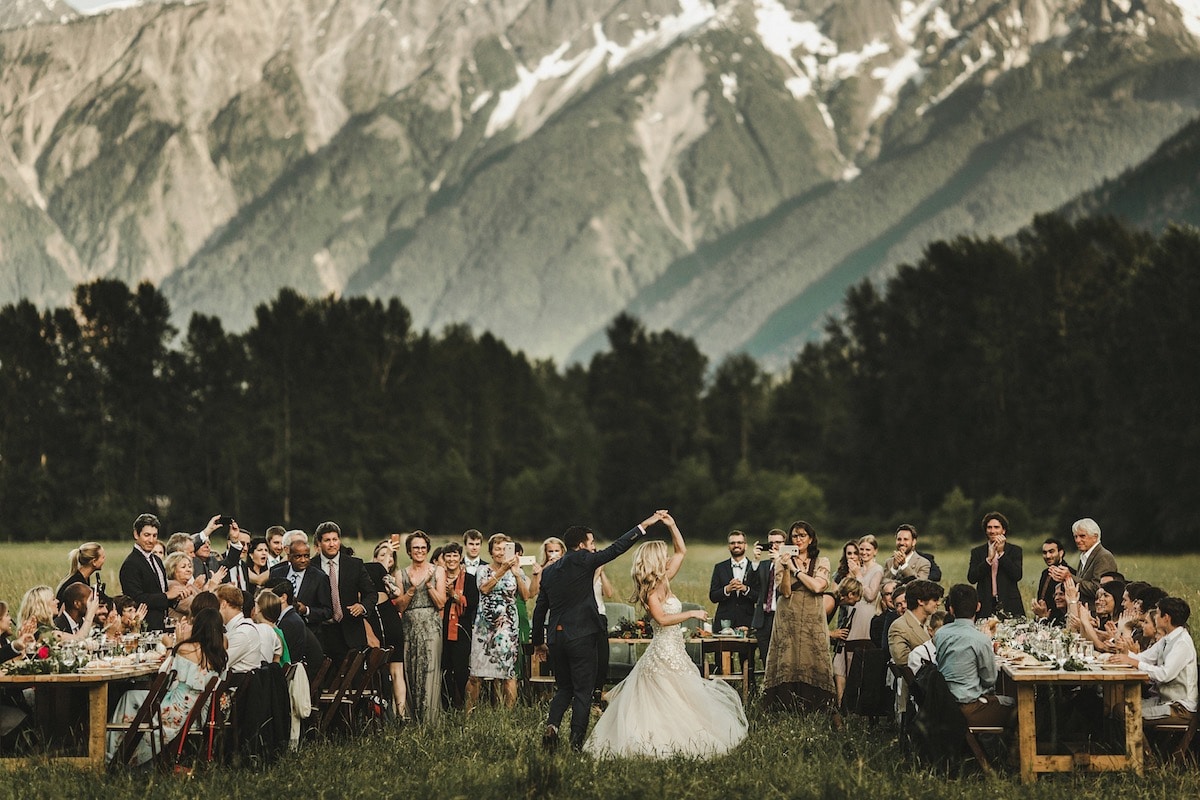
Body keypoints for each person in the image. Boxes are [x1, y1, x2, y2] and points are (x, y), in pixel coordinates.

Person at [585, 515, 747, 758]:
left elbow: (681, 551)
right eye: (663, 555)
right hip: (663, 649)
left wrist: (671, 526)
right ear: (655, 561)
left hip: (674, 647)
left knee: (681, 695)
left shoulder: (664, 579)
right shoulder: (650, 590)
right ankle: (658, 739)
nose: (668, 558)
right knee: (664, 696)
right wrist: (691, 612)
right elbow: (661, 619)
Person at [532, 512, 660, 752]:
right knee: (583, 691)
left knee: (564, 688)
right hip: (582, 636)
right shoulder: (584, 559)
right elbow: (617, 548)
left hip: (556, 639)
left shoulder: (549, 572)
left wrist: (538, 642)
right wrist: (643, 525)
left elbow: (540, 610)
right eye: (591, 543)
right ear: (581, 545)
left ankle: (552, 725)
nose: (594, 547)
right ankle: (576, 743)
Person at [107, 607, 227, 766]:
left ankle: (113, 755)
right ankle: (125, 753)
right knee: (131, 696)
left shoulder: (187, 648)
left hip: (175, 711)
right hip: (197, 713)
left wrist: (175, 643)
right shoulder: (219, 653)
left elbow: (164, 674)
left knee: (128, 698)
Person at [762, 520, 837, 714]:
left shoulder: (822, 561)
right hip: (789, 616)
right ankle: (784, 705)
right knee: (788, 656)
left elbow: (818, 586)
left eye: (802, 535)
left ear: (811, 539)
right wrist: (786, 567)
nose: (798, 539)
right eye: (795, 536)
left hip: (813, 617)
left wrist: (796, 571)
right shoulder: (782, 561)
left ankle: (818, 707)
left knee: (814, 656)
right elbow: (785, 591)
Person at [934, 584, 1014, 727]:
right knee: (1020, 706)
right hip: (970, 708)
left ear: (951, 609)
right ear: (978, 607)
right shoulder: (981, 639)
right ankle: (1012, 747)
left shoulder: (940, 634)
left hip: (943, 704)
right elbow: (990, 679)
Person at [1112, 597, 1197, 729]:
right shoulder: (1167, 640)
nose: (1155, 616)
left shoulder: (1182, 643)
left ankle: (1143, 750)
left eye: (1157, 613)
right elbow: (1144, 658)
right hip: (1164, 701)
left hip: (1180, 707)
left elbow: (1165, 674)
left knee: (1125, 712)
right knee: (1119, 708)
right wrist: (1125, 653)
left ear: (1166, 618)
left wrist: (1133, 661)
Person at [466, 533, 529, 710]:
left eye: (505, 549)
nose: (501, 552)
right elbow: (484, 588)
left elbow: (525, 596)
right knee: (475, 674)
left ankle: (506, 715)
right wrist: (502, 570)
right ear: (491, 552)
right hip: (485, 628)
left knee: (508, 674)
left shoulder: (517, 571)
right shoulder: (483, 570)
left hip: (507, 627)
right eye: (497, 549)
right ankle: (469, 713)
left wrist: (516, 574)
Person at [395, 530, 446, 724]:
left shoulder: (438, 571)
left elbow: (441, 603)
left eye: (423, 547)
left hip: (431, 626)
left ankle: (430, 718)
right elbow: (399, 605)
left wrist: (428, 585)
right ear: (409, 551)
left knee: (430, 669)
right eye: (415, 548)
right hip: (408, 626)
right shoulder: (401, 574)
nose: (420, 551)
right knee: (410, 669)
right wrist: (412, 589)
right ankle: (411, 716)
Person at [313, 521, 378, 664]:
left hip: (351, 632)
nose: (332, 544)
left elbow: (371, 593)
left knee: (353, 681)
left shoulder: (354, 565)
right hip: (321, 632)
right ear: (319, 543)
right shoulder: (311, 566)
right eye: (327, 540)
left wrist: (362, 607)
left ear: (339, 541)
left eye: (335, 540)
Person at [118, 513, 185, 632]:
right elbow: (136, 598)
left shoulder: (158, 561)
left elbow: (160, 592)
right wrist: (167, 596)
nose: (151, 540)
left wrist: (177, 597)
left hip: (163, 625)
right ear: (136, 534)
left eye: (154, 536)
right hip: (144, 628)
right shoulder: (130, 564)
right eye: (147, 535)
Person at [365, 541, 406, 719]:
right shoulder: (368, 571)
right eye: (381, 555)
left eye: (388, 556)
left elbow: (397, 593)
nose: (385, 559)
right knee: (382, 669)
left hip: (387, 621)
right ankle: (386, 712)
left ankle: (401, 713)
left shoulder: (388, 575)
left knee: (396, 670)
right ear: (374, 557)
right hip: (378, 620)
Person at [440, 542, 477, 710]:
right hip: (442, 628)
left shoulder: (469, 579)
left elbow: (472, 604)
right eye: (448, 555)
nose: (451, 559)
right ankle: (445, 706)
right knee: (444, 670)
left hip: (461, 629)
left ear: (460, 558)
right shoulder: (439, 578)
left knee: (461, 670)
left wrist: (453, 595)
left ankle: (461, 704)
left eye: (455, 555)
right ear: (443, 558)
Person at [966, 511, 1024, 618]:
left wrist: (1001, 554)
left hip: (1009, 602)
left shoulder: (1014, 550)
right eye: (989, 527)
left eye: (996, 527)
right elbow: (972, 578)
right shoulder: (977, 552)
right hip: (985, 603)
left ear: (1004, 530)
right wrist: (988, 560)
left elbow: (1017, 575)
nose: (992, 531)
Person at [268, 538, 332, 631]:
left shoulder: (319, 577)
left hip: (307, 631)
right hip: (277, 628)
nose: (303, 560)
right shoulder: (277, 573)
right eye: (298, 556)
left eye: (306, 556)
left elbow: (327, 611)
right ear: (289, 557)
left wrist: (306, 610)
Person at [708, 530, 757, 632]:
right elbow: (713, 596)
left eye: (739, 542)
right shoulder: (720, 567)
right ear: (728, 546)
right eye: (732, 543)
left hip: (748, 622)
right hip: (724, 623)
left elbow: (760, 596)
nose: (736, 545)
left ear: (746, 545)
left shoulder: (755, 567)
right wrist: (727, 589)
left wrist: (745, 589)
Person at [751, 529, 787, 662]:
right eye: (771, 543)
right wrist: (755, 560)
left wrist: (779, 561)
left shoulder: (790, 564)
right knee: (766, 657)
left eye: (778, 542)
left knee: (782, 657)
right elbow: (750, 583)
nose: (774, 546)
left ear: (785, 544)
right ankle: (768, 682)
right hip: (763, 618)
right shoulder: (764, 565)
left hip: (781, 616)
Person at [216, 584, 269, 672]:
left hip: (236, 684)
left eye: (215, 604)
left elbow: (218, 664)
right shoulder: (238, 629)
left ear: (223, 604)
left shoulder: (242, 633)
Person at [1071, 518, 1118, 607]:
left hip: (1096, 614)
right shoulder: (1085, 555)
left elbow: (1098, 589)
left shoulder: (1104, 556)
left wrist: (1069, 578)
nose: (1077, 540)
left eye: (1082, 536)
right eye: (1075, 536)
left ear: (1095, 537)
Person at [1031, 538, 1074, 625]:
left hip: (1061, 622)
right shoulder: (1045, 573)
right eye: (1045, 553)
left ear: (1061, 553)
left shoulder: (1069, 573)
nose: (1048, 556)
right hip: (1043, 620)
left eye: (1051, 552)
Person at [55, 542, 107, 606]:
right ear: (94, 562)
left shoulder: (81, 577)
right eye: (103, 557)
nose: (104, 560)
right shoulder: (77, 582)